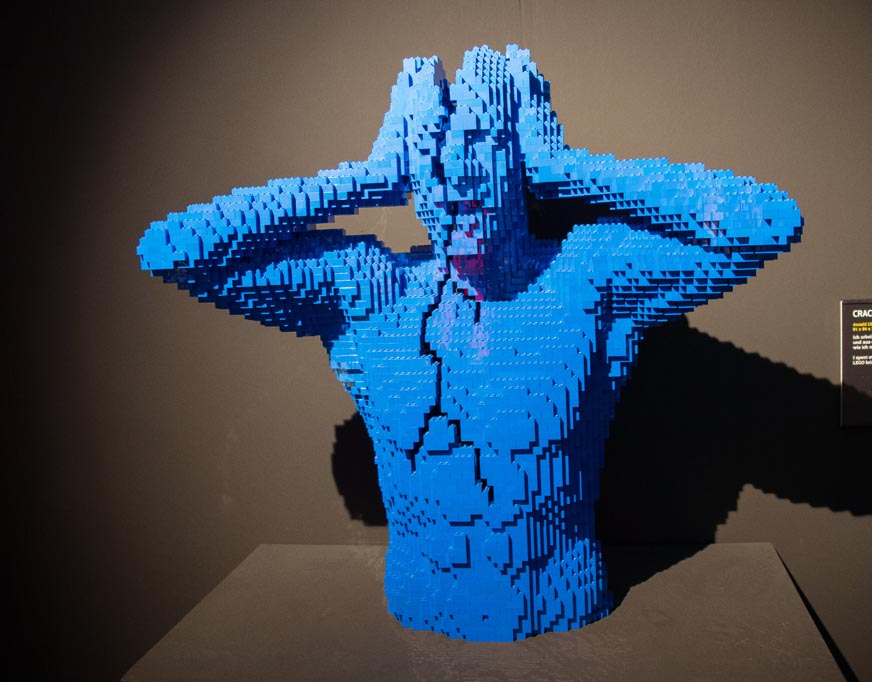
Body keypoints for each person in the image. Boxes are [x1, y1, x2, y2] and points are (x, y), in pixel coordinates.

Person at [138, 45, 802, 640]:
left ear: (517, 156)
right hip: (421, 601)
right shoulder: (371, 291)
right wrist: (366, 176)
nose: (453, 179)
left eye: (478, 149)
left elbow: (766, 222)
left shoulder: (587, 278)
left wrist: (565, 166)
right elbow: (172, 250)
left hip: (564, 598)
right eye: (428, 157)